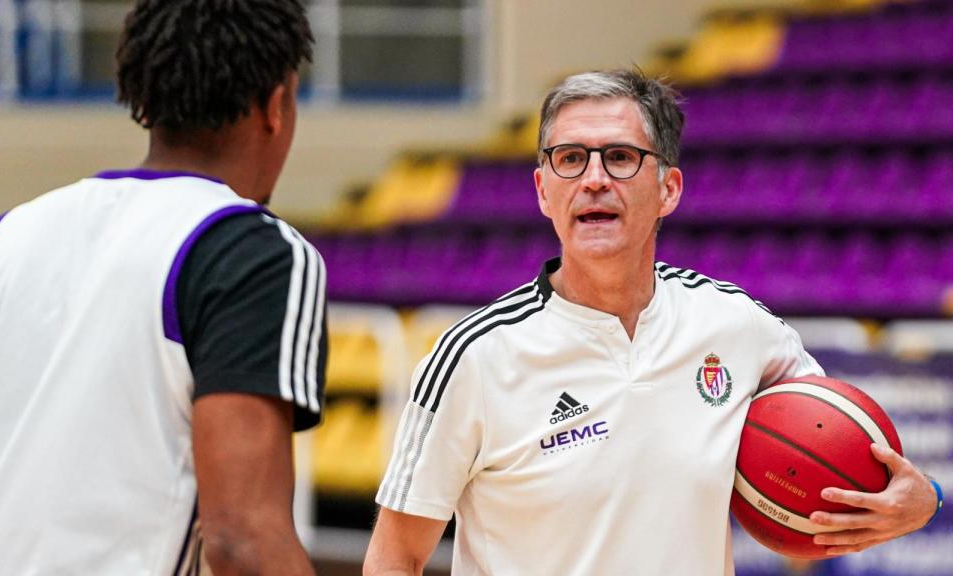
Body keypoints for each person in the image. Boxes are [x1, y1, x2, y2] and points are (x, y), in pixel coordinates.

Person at [363, 70, 940, 576]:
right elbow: (394, 557)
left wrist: (925, 500)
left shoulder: (734, 326)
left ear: (668, 189)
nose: (593, 179)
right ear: (543, 191)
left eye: (619, 156)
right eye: (569, 158)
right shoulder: (473, 356)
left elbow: (842, 450)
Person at [0, 1, 324, 574]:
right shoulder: (252, 252)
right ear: (276, 106)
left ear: (144, 96)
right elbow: (243, 540)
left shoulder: (2, 238)